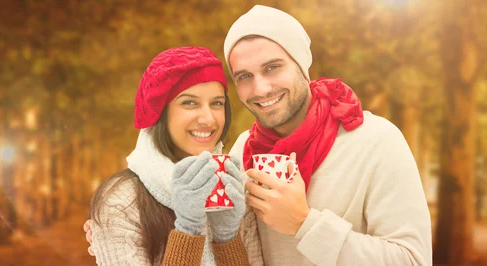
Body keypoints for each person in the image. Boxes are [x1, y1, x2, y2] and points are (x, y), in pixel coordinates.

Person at [223, 5, 432, 266]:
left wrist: (304, 224)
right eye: (244, 76)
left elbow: (412, 260)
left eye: (272, 67)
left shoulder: (377, 141)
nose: (261, 88)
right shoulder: (243, 152)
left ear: (301, 65)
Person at [86, 46, 263, 266]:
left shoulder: (233, 189)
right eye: (190, 102)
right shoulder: (121, 203)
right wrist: (188, 229)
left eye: (217, 103)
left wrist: (227, 236)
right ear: (161, 111)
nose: (209, 119)